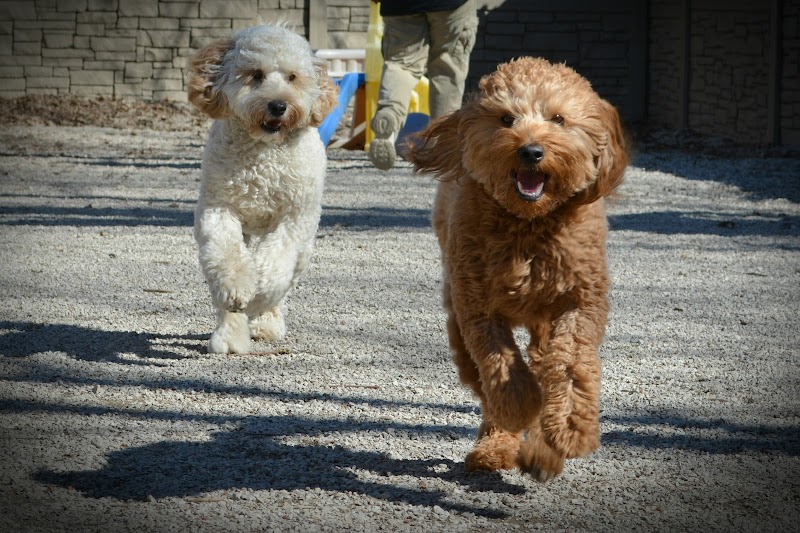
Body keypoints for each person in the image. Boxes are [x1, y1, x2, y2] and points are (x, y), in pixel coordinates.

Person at [368, 0, 478, 170]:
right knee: (447, 68)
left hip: (399, 6)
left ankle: (389, 117)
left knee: (401, 64)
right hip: (452, 6)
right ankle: (443, 145)